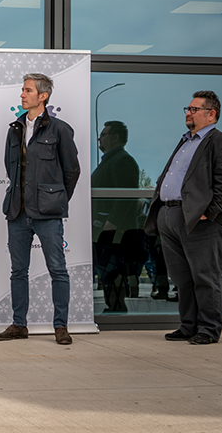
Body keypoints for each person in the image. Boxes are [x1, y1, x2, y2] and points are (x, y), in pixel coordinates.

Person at [0, 73, 79, 345]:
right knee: (18, 271)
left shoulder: (60, 129)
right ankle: (19, 325)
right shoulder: (14, 129)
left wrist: (55, 198)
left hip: (47, 213)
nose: (22, 94)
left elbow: (71, 171)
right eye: (22, 90)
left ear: (43, 96)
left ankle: (61, 327)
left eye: (27, 90)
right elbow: (11, 168)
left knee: (58, 270)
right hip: (17, 212)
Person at [144, 91, 222, 345]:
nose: (188, 113)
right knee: (182, 277)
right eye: (187, 109)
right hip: (170, 216)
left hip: (200, 220)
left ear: (211, 114)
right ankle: (189, 325)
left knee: (206, 276)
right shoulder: (185, 141)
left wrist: (210, 212)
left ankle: (209, 328)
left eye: (194, 109)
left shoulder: (220, 142)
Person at [91, 121, 142, 312]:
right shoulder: (109, 160)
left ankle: (117, 309)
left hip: (115, 232)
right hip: (105, 230)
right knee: (107, 272)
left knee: (112, 271)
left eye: (103, 134)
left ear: (115, 137)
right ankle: (113, 307)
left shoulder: (122, 160)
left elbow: (126, 196)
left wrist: (111, 223)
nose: (99, 138)